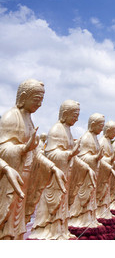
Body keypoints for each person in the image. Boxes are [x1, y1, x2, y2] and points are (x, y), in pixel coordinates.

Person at [0, 79, 66, 240]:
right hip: (11, 179)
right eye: (37, 100)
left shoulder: (28, 118)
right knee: (8, 217)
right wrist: (23, 149)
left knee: (19, 218)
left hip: (24, 179)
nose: (40, 104)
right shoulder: (11, 117)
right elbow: (2, 149)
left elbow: (36, 153)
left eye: (42, 100)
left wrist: (52, 167)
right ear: (23, 97)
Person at [29, 100, 95, 240]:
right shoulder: (57, 129)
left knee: (63, 205)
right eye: (75, 115)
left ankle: (60, 230)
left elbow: (73, 155)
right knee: (53, 204)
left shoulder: (68, 130)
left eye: (78, 115)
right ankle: (48, 229)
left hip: (65, 174)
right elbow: (51, 154)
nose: (77, 118)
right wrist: (69, 154)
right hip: (55, 176)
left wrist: (86, 167)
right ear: (65, 114)